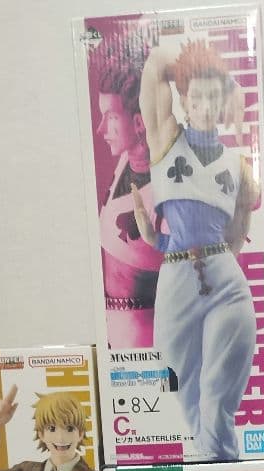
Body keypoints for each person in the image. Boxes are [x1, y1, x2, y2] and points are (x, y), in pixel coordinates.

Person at [131, 39, 259, 460]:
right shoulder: (166, 139)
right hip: (176, 280)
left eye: (214, 97)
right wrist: (216, 72)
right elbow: (155, 64)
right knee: (179, 386)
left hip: (226, 285)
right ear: (183, 99)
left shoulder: (239, 166)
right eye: (196, 97)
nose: (205, 107)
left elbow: (236, 237)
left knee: (216, 397)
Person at [96, 59, 163, 348]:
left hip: (148, 341)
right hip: (114, 336)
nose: (101, 129)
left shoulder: (169, 189)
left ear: (138, 122)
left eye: (111, 116)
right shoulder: (126, 159)